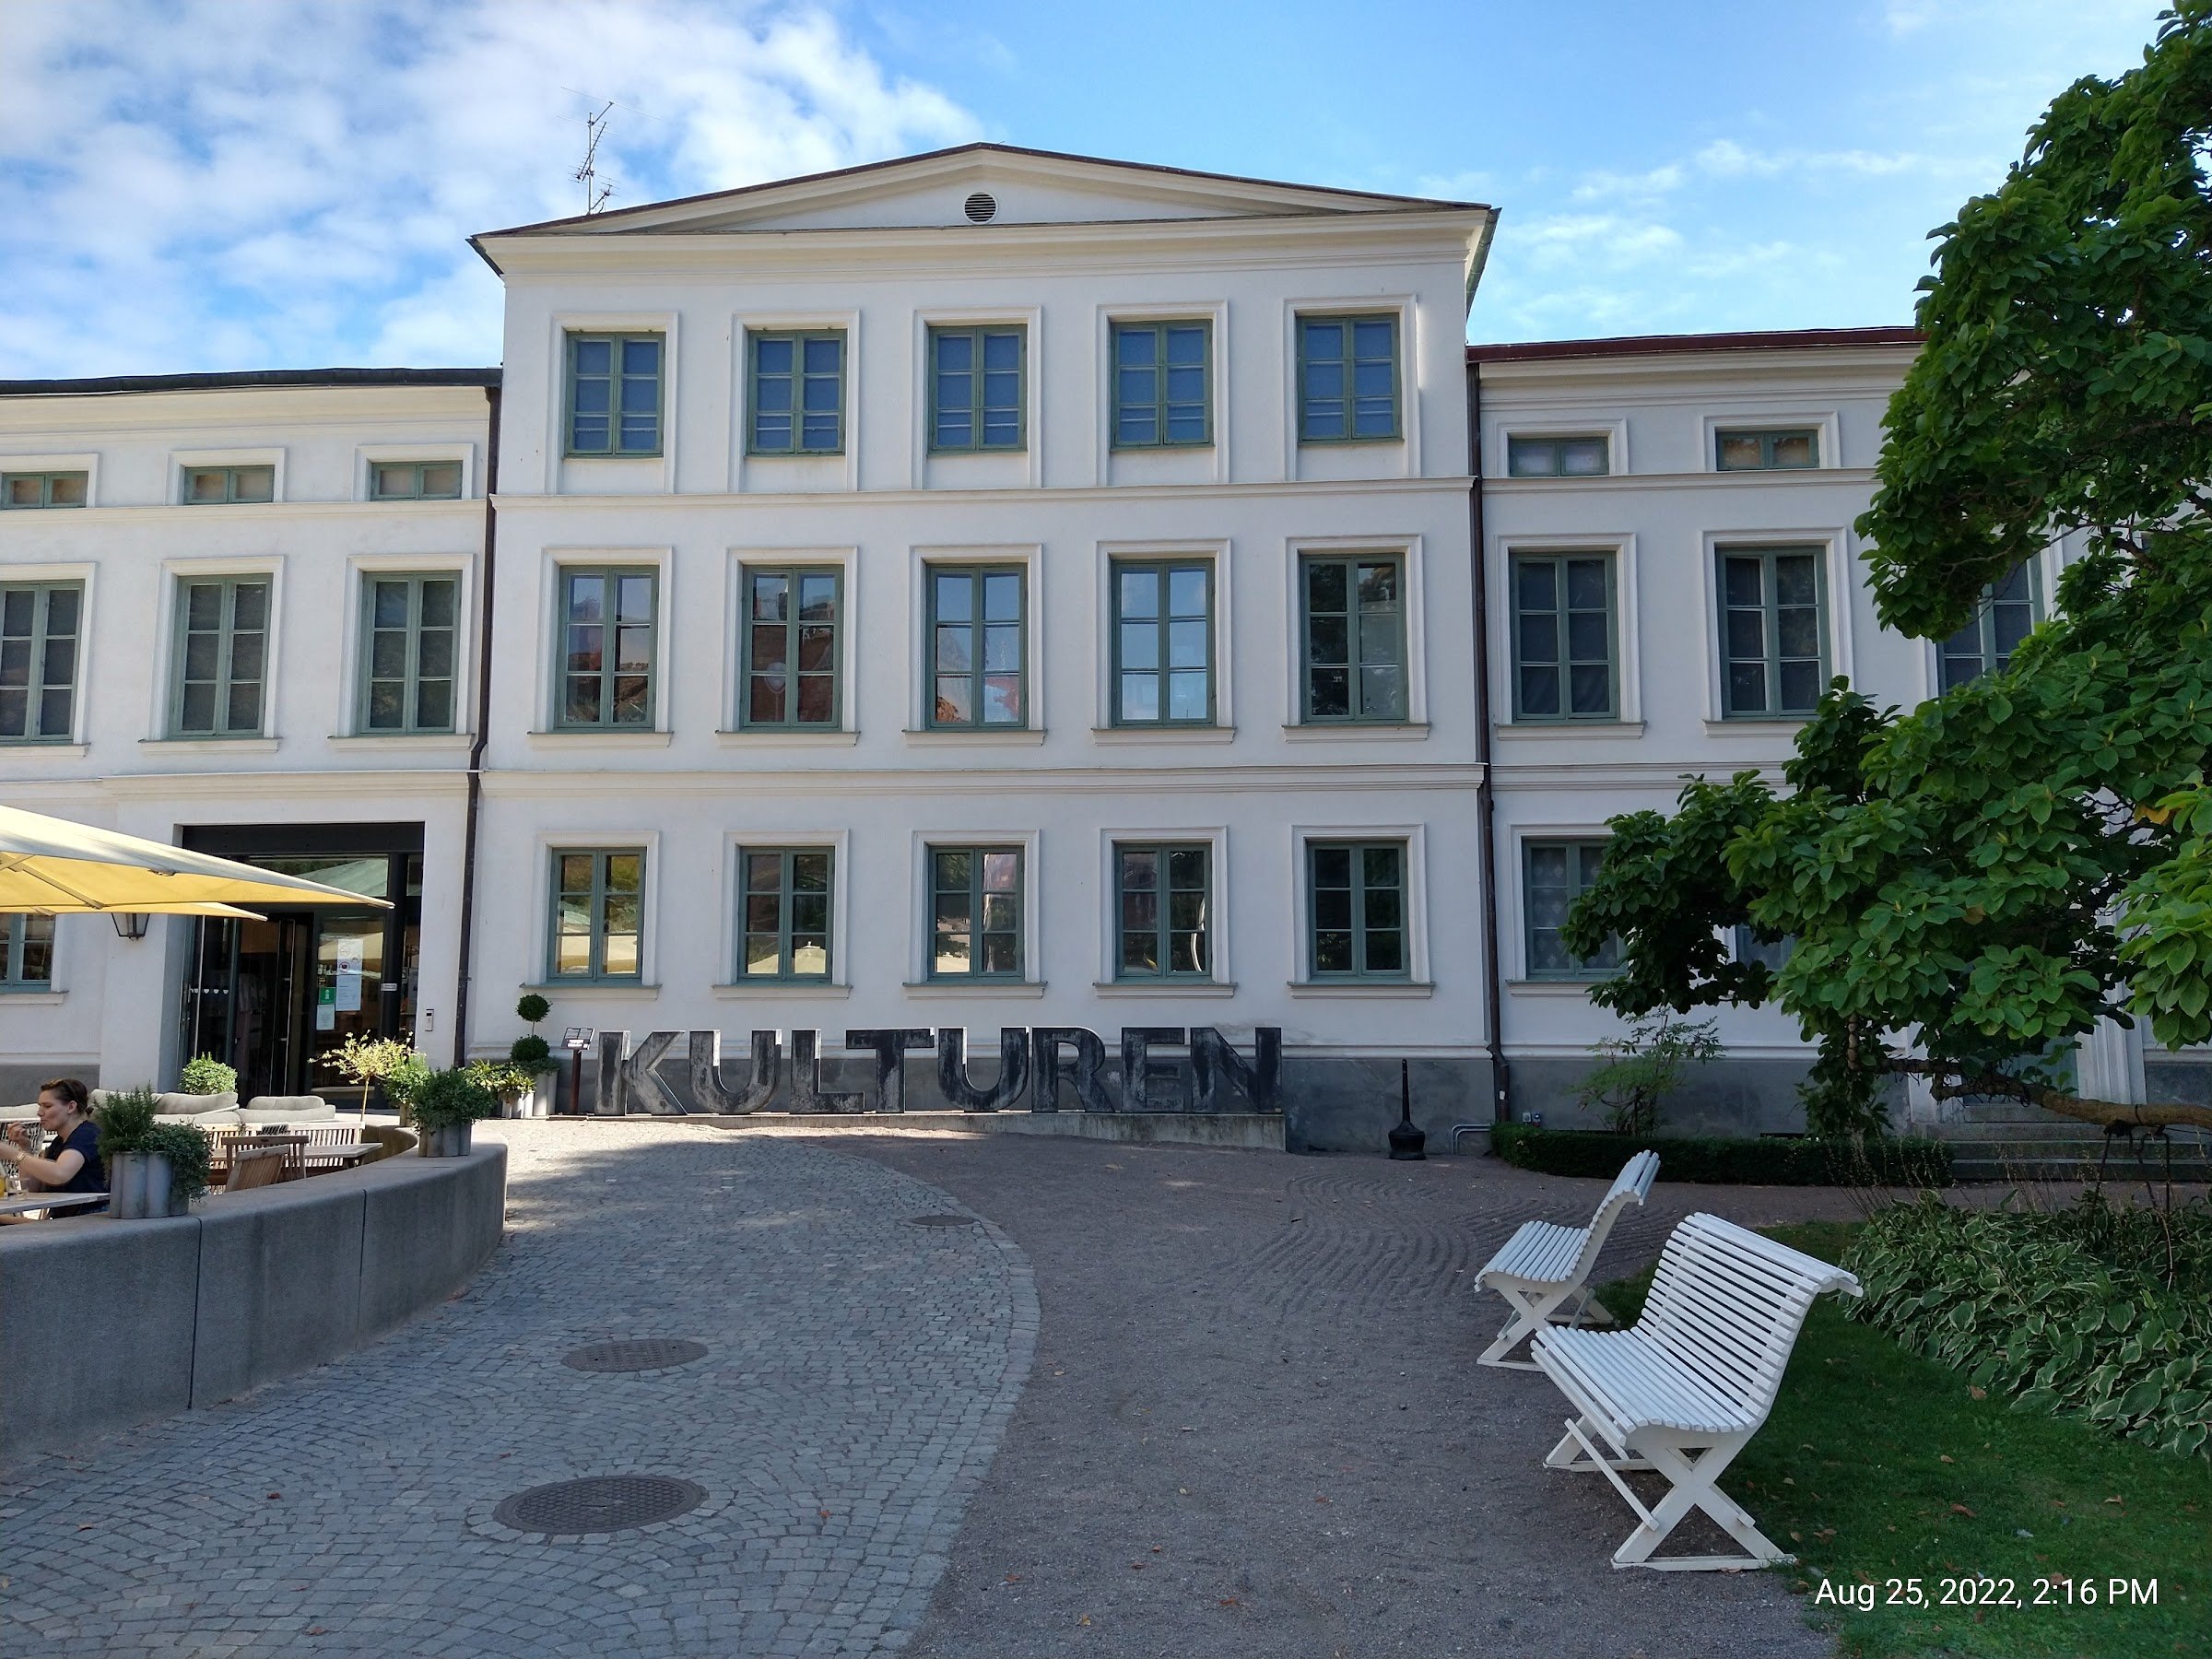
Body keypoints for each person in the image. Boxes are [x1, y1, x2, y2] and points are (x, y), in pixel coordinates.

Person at [1, 1077, 105, 1213]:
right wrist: (25, 1148)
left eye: (47, 1106)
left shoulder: (87, 1135)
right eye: (40, 1106)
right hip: (65, 1220)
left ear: (71, 1107)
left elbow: (60, 1174)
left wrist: (14, 1154)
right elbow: (33, 1189)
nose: (39, 1112)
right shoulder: (59, 1141)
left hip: (88, 1220)